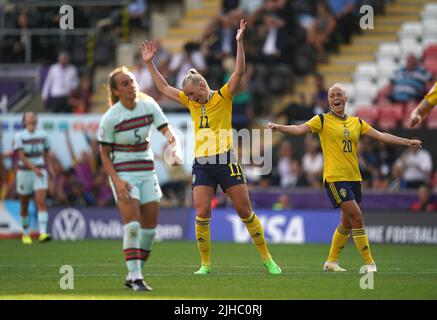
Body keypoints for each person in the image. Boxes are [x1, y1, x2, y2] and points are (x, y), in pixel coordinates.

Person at [141, 19, 282, 275]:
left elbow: (239, 73)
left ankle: (267, 258)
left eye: (193, 95)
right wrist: (150, 63)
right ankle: (205, 264)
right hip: (203, 164)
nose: (191, 100)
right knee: (202, 212)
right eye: (189, 97)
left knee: (244, 211)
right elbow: (162, 88)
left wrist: (239, 43)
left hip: (226, 161)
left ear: (203, 86)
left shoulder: (223, 96)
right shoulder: (190, 101)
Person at [268, 83, 422, 273]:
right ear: (329, 100)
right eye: (332, 95)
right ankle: (369, 263)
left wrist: (407, 142)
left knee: (347, 223)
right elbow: (299, 129)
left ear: (346, 99)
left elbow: (381, 135)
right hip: (335, 178)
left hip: (354, 178)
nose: (335, 98)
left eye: (339, 94)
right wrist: (278, 127)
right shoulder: (322, 120)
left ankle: (331, 262)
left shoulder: (356, 122)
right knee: (357, 216)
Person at [98, 66, 182, 291]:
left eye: (133, 81)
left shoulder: (149, 105)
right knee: (133, 226)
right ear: (115, 91)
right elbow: (104, 155)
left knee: (149, 231)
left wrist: (174, 147)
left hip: (147, 172)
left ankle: (134, 271)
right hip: (124, 175)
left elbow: (167, 131)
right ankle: (135, 277)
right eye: (125, 83)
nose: (131, 86)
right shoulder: (111, 118)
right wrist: (116, 180)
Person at [13, 111, 54, 244]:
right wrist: (34, 168)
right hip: (24, 172)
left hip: (40, 172)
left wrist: (51, 170)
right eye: (29, 116)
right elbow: (21, 156)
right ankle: (25, 233)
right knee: (24, 205)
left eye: (33, 115)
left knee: (40, 202)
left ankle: (42, 233)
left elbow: (47, 154)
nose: (32, 117)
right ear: (24, 121)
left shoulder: (43, 135)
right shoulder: (19, 136)